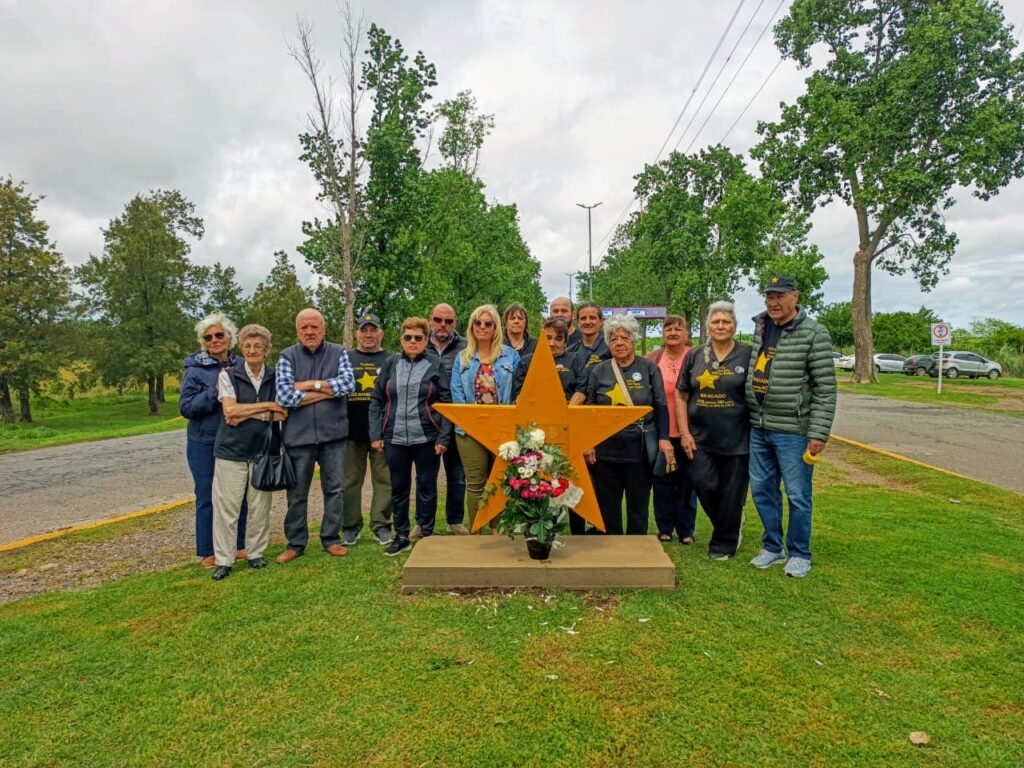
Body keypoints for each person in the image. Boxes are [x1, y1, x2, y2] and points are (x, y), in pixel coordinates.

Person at [745, 275, 837, 578]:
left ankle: (800, 552)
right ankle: (772, 547)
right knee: (762, 491)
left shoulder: (814, 333)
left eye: (780, 296)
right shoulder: (761, 328)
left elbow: (825, 388)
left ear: (795, 297)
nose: (773, 302)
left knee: (797, 494)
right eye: (769, 296)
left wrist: (818, 433)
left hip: (793, 430)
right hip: (758, 426)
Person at [274, 308, 356, 563]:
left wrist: (308, 384)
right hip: (298, 438)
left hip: (333, 436)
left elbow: (348, 385)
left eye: (314, 327)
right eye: (304, 328)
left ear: (324, 328)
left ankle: (331, 538)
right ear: (297, 331)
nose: (309, 332)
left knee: (335, 489)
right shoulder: (286, 356)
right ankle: (296, 543)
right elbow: (285, 396)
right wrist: (327, 387)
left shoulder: (338, 352)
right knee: (297, 493)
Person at [210, 324, 289, 581]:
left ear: (266, 351)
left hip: (264, 450)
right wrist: (264, 407)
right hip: (231, 450)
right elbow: (229, 412)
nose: (252, 350)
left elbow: (282, 412)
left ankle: (256, 553)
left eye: (258, 346)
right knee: (227, 507)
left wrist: (247, 411)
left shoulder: (276, 376)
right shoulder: (228, 375)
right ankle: (224, 559)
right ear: (241, 349)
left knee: (259, 506)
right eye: (247, 346)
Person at [369, 317, 453, 556]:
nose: (413, 342)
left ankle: (425, 531)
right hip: (394, 438)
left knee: (426, 486)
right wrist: (376, 434)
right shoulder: (390, 363)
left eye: (418, 337)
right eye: (408, 337)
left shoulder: (435, 364)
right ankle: (402, 534)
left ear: (426, 339)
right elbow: (377, 400)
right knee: (399, 487)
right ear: (401, 339)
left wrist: (443, 438)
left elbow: (446, 403)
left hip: (427, 438)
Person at [676, 303, 752, 559]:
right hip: (699, 438)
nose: (721, 326)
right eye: (716, 321)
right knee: (703, 483)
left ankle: (723, 545)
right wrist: (684, 433)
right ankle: (732, 519)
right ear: (707, 325)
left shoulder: (748, 355)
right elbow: (681, 395)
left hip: (737, 438)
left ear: (734, 326)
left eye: (726, 322)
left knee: (732, 491)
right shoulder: (695, 355)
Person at [584, 314, 672, 535]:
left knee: (638, 506)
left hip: (640, 450)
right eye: (614, 339)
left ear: (633, 341)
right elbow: (590, 412)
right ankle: (611, 551)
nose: (619, 343)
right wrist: (588, 443)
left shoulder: (649, 369)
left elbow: (661, 405)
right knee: (608, 507)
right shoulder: (598, 371)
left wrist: (664, 439)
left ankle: (637, 550)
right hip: (606, 453)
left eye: (624, 338)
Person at [179, 311, 247, 568]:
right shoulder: (194, 370)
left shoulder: (242, 364)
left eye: (220, 335)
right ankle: (209, 550)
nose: (215, 340)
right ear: (203, 342)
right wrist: (214, 391)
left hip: (236, 437)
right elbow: (186, 407)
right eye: (208, 337)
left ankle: (237, 545)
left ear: (230, 337)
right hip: (203, 441)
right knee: (207, 495)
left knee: (237, 493)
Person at [451, 304, 519, 530]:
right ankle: (476, 530)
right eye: (478, 323)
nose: (482, 327)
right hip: (470, 431)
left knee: (499, 481)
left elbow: (518, 392)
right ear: (471, 326)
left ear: (496, 327)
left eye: (488, 323)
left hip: (502, 429)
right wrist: (472, 423)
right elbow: (457, 393)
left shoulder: (511, 356)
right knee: (475, 483)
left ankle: (497, 532)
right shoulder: (462, 358)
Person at [341, 313, 393, 547]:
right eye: (364, 330)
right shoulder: (345, 358)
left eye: (373, 330)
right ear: (356, 334)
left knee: (384, 479)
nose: (368, 334)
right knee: (350, 480)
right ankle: (351, 527)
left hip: (382, 431)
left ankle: (381, 525)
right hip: (351, 430)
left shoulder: (392, 359)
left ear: (381, 332)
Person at [646, 315, 699, 544]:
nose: (673, 333)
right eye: (668, 329)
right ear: (663, 333)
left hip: (690, 432)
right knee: (663, 480)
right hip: (663, 433)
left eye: (679, 329)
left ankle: (686, 530)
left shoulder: (696, 357)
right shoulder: (653, 358)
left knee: (688, 482)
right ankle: (665, 528)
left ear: (686, 334)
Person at [425, 303, 470, 536]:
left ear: (455, 323)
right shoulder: (420, 345)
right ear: (430, 320)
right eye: (438, 320)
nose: (443, 325)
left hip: (457, 419)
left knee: (457, 476)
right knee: (426, 477)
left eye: (448, 321)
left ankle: (455, 521)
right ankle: (424, 524)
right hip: (428, 421)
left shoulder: (466, 346)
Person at [511, 318, 587, 404]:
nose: (552, 343)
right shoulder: (526, 361)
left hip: (569, 410)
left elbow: (581, 391)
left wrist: (566, 412)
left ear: (565, 342)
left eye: (558, 339)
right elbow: (518, 395)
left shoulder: (576, 359)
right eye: (548, 338)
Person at [574, 301, 612, 371]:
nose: (588, 322)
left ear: (601, 321)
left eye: (592, 318)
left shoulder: (611, 346)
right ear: (578, 323)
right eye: (583, 318)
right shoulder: (572, 350)